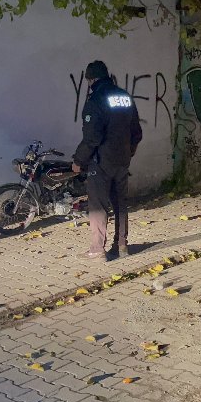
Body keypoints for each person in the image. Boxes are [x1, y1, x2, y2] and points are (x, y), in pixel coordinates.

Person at [72, 60, 143, 260]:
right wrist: (129, 151)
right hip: (122, 160)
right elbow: (136, 132)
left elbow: (92, 138)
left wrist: (78, 160)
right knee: (120, 203)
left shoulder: (95, 100)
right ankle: (121, 246)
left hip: (101, 162)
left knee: (98, 205)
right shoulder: (125, 96)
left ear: (92, 79)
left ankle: (97, 249)